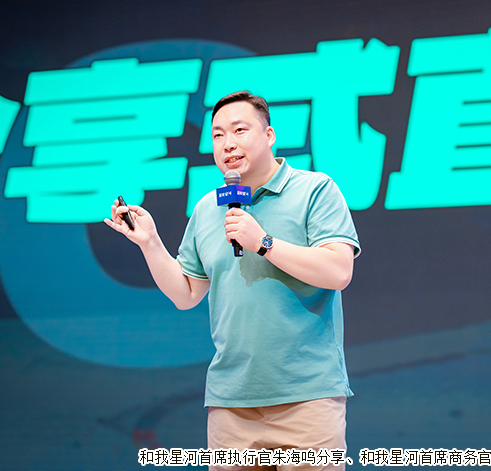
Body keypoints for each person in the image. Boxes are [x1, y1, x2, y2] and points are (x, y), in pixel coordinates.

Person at [104, 91, 360, 470]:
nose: (228, 144)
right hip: (231, 402)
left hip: (307, 396)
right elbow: (186, 293)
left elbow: (338, 271)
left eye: (239, 130)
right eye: (218, 135)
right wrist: (150, 242)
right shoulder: (208, 208)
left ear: (269, 135)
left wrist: (264, 243)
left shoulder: (314, 190)